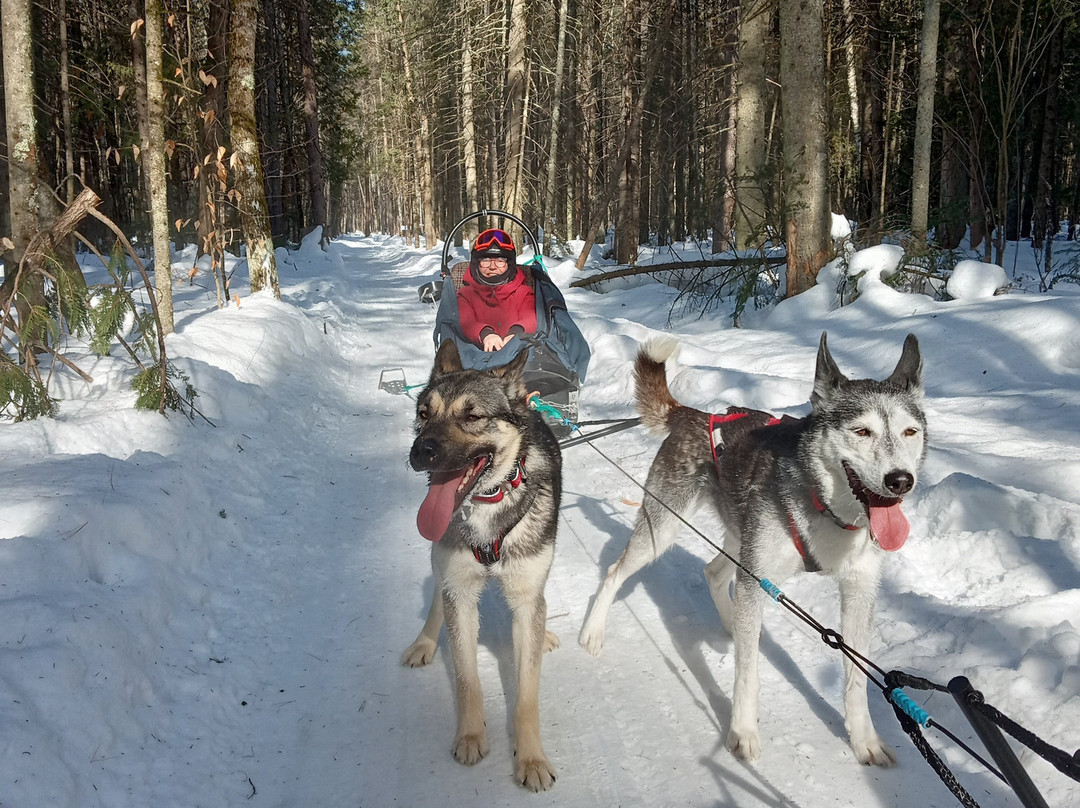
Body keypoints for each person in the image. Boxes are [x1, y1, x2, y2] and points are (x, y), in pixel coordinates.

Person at [456, 228, 537, 352]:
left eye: (500, 261)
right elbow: (466, 321)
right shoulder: (466, 294)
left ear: (509, 264)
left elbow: (530, 317)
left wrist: (516, 332)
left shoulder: (523, 293)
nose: (492, 267)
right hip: (476, 355)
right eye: (486, 260)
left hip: (516, 353)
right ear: (477, 263)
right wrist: (485, 333)